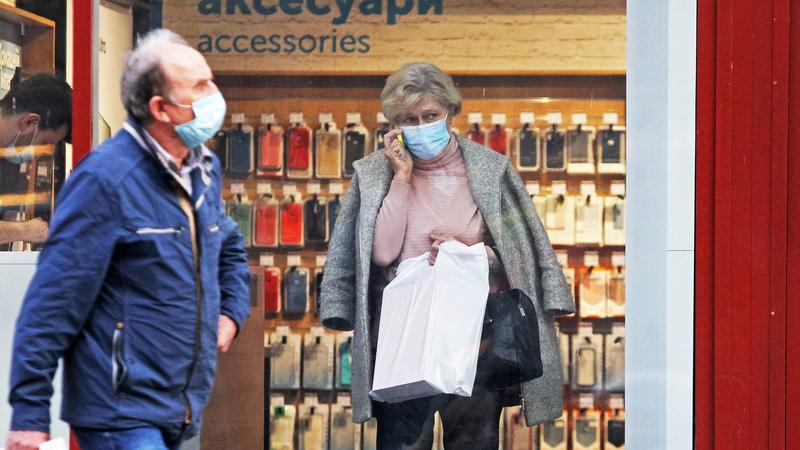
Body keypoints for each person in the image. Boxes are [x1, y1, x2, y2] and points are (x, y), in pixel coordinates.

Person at [5, 29, 250, 450]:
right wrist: (29, 414)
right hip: (118, 411)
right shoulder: (105, 180)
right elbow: (52, 301)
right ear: (160, 108)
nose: (214, 95)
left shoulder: (202, 168)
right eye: (199, 86)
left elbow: (226, 244)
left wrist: (231, 311)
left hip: (177, 404)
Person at [320, 62, 575, 449]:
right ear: (394, 124)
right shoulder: (375, 173)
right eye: (409, 119)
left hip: (475, 335)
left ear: (450, 113)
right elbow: (382, 253)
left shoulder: (489, 169)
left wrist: (473, 254)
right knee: (404, 444)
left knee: (473, 443)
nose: (421, 126)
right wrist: (401, 177)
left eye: (430, 115)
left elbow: (519, 250)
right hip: (403, 333)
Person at [0, 74, 72, 245]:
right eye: (44, 142)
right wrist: (23, 230)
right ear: (29, 122)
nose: (39, 153)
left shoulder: (8, 160)